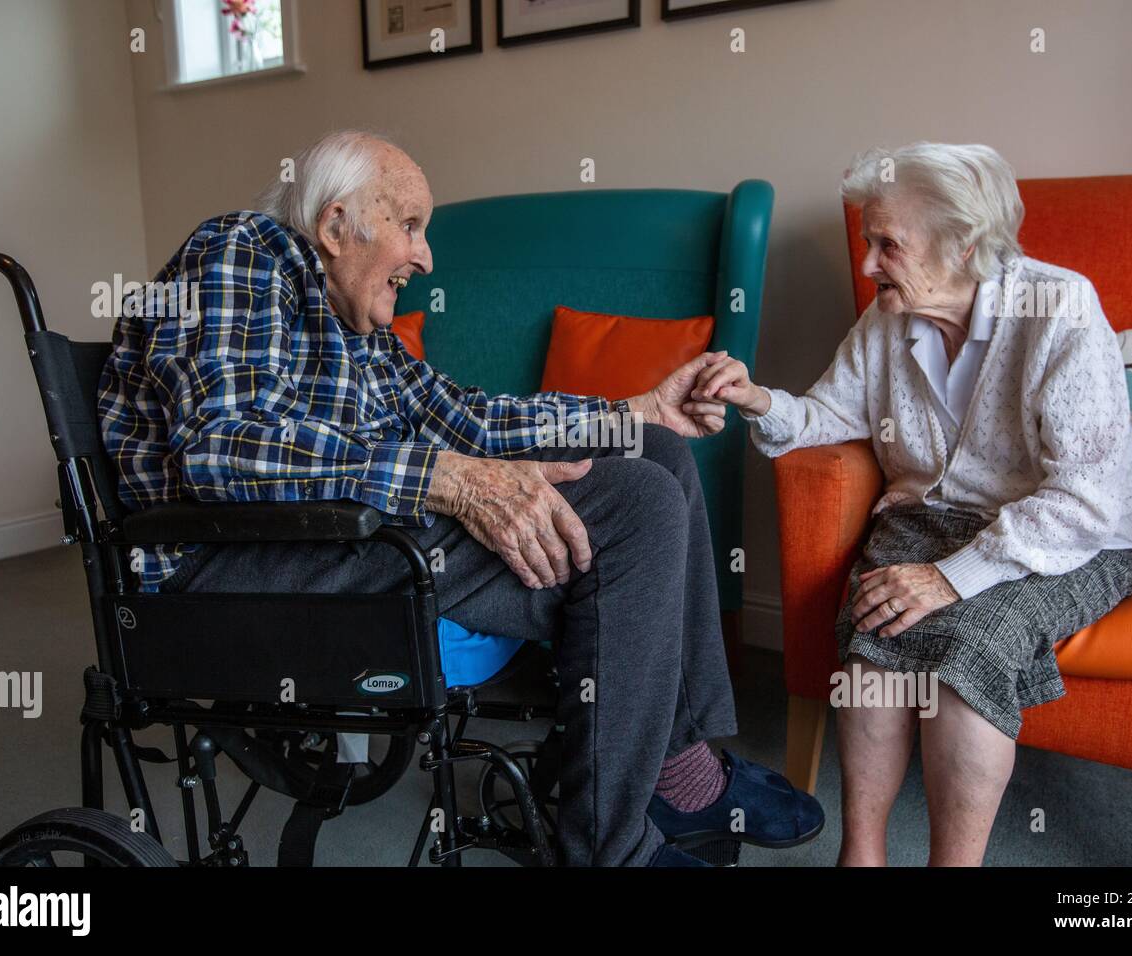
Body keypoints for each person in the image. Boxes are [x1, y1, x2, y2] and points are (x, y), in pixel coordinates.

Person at [97, 128, 823, 866]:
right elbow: (223, 449)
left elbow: (471, 418)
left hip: (340, 531)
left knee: (654, 454)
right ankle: (620, 843)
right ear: (335, 224)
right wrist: (443, 477)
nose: (426, 256)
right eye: (409, 225)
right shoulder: (242, 253)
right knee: (636, 515)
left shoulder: (357, 332)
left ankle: (676, 769)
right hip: (232, 561)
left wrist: (633, 412)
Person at [692, 142, 1132, 866]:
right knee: (874, 639)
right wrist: (757, 399)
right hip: (929, 521)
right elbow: (827, 415)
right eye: (866, 243)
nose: (868, 265)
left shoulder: (1059, 307)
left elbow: (1084, 497)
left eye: (887, 244)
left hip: (1072, 532)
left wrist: (953, 577)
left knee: (965, 654)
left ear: (966, 244)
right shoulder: (890, 317)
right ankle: (865, 856)